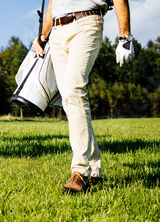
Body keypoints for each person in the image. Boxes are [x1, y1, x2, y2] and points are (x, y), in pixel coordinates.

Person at [32, 0, 134, 193]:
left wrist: (125, 36)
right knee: (70, 100)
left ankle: (81, 170)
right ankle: (94, 170)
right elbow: (53, 3)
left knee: (74, 90)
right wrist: (43, 36)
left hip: (86, 22)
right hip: (57, 32)